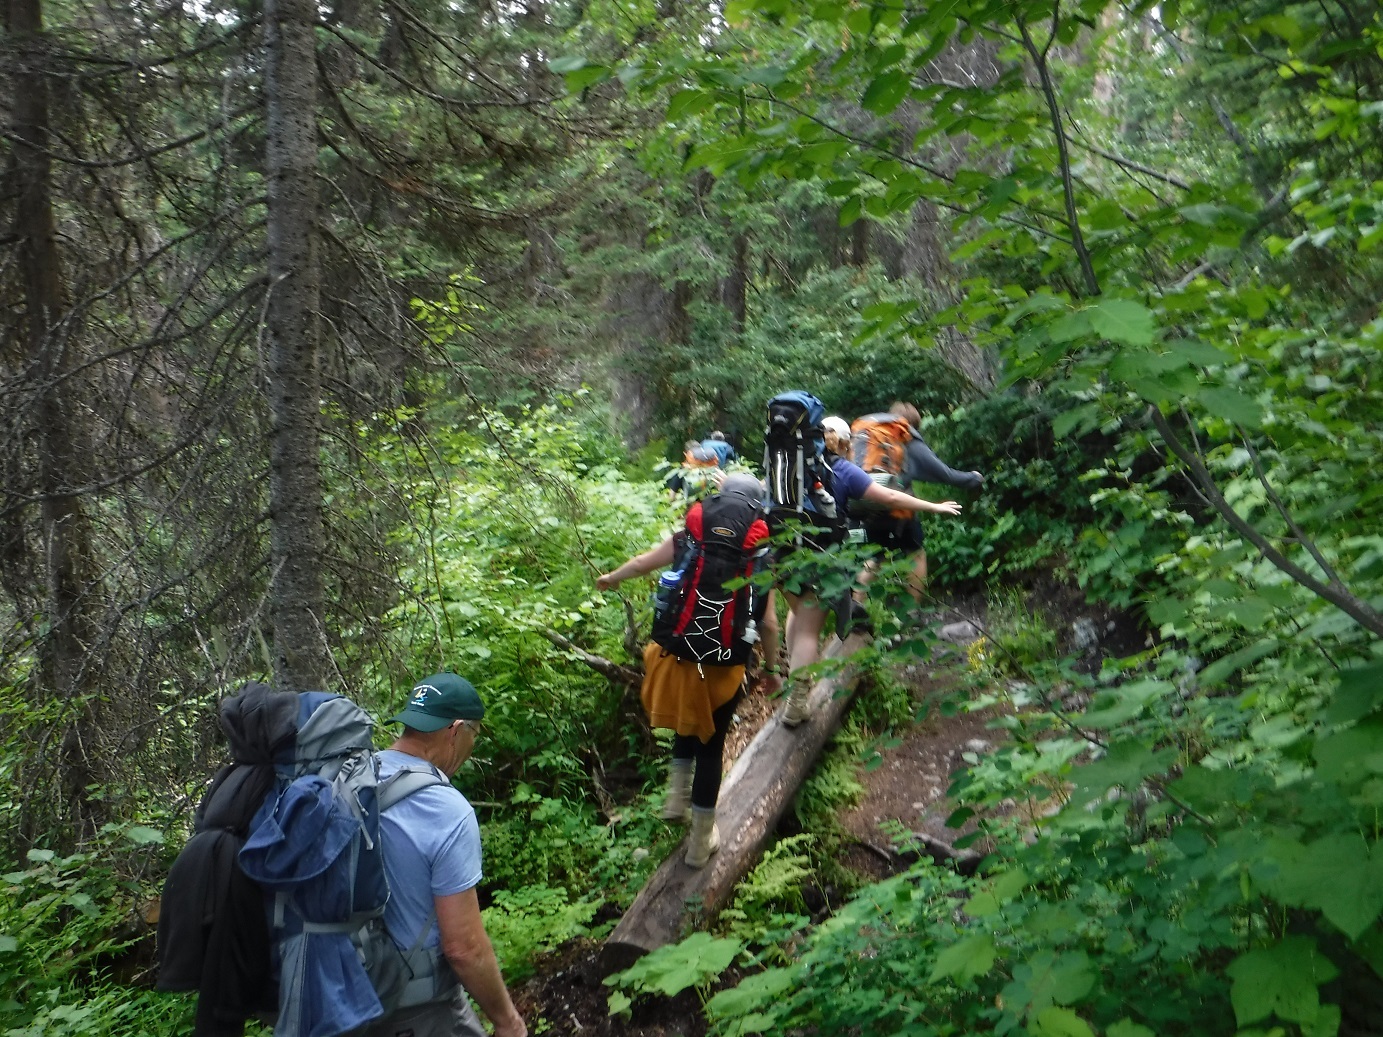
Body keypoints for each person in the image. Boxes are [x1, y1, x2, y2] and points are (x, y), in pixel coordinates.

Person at [596, 474, 781, 868]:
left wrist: (612, 578)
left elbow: (645, 562)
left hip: (675, 656)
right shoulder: (759, 555)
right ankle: (700, 844)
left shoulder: (690, 539)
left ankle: (676, 800)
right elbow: (768, 623)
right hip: (724, 667)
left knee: (685, 724)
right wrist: (771, 667)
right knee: (710, 747)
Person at [363, 673, 527, 1037]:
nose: (473, 745)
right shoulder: (446, 810)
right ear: (456, 730)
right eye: (476, 733)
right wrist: (508, 1021)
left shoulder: (354, 779)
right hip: (415, 1008)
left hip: (345, 996)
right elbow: (463, 948)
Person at [777, 416, 961, 727]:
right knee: (810, 626)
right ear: (847, 444)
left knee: (796, 612)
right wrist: (934, 506)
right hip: (816, 551)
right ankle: (797, 703)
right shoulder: (840, 468)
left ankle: (794, 673)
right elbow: (888, 496)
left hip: (781, 548)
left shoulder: (787, 464)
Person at [857, 401, 983, 603]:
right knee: (916, 554)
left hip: (870, 504)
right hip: (900, 509)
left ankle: (855, 611)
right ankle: (911, 611)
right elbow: (944, 474)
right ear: (915, 423)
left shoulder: (871, 436)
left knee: (874, 559)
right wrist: (974, 478)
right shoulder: (909, 440)